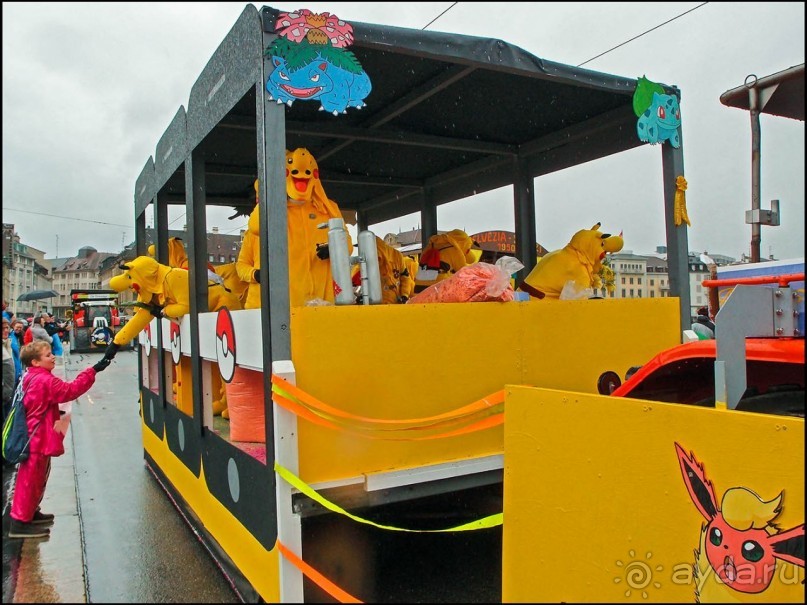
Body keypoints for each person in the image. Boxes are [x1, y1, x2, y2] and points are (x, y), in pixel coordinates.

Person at [7, 341, 110, 539]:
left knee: (35, 478)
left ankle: (30, 513)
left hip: (33, 436)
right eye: (47, 355)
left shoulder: (32, 376)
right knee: (30, 480)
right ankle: (20, 522)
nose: (53, 356)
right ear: (35, 362)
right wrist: (92, 371)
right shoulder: (44, 381)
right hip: (36, 439)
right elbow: (70, 391)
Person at [2, 317, 16, 423]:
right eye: (2, 329)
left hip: (8, 394)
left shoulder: (7, 343)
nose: (6, 330)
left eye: (7, 328)